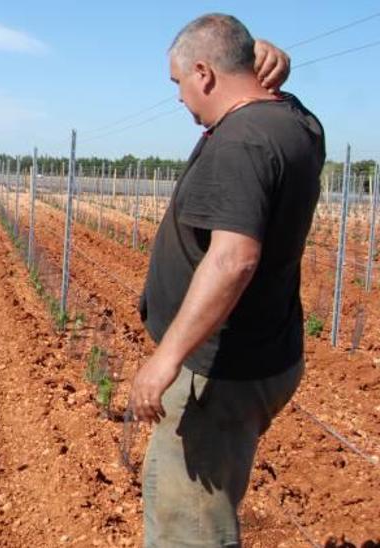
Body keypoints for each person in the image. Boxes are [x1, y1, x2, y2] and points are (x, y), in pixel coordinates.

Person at [129, 16, 317, 547]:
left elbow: (233, 259)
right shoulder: (296, 122)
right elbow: (276, 95)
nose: (180, 97)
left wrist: (165, 359)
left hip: (215, 375)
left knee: (190, 527)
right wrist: (274, 66)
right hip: (262, 352)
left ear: (205, 74)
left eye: (179, 82)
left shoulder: (243, 143)